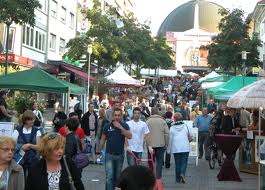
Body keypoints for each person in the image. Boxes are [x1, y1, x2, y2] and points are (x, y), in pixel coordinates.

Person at [96, 108, 132, 190]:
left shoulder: (125, 125)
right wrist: (98, 153)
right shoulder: (107, 126)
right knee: (109, 177)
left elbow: (130, 136)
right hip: (109, 155)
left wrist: (120, 128)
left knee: (117, 177)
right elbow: (102, 140)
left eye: (119, 115)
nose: (117, 117)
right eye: (115, 115)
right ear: (112, 116)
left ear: (121, 116)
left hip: (120, 155)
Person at [13, 110, 40, 176]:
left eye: (33, 119)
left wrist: (30, 146)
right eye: (30, 119)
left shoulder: (37, 131)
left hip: (33, 159)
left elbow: (39, 147)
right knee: (20, 178)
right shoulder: (17, 130)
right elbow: (12, 145)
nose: (33, 121)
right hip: (20, 159)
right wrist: (21, 146)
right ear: (25, 120)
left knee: (32, 179)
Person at [146, 107, 169, 179]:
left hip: (150, 145)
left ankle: (151, 177)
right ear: (158, 113)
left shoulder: (147, 121)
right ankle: (158, 178)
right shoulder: (162, 121)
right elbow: (167, 134)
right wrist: (166, 143)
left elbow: (145, 134)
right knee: (159, 162)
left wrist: (147, 144)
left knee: (151, 161)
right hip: (160, 144)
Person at [167, 112, 190, 183]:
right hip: (185, 147)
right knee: (184, 162)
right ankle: (182, 173)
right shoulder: (185, 126)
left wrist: (168, 150)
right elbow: (189, 135)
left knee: (177, 163)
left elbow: (170, 140)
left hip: (176, 148)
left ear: (174, 119)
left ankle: (177, 179)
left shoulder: (172, 128)